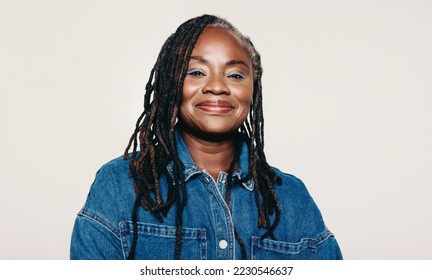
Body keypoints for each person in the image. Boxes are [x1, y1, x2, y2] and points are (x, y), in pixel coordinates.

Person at [70, 14, 342, 260]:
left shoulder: (291, 197)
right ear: (171, 84)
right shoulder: (119, 185)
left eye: (235, 74)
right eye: (196, 72)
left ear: (252, 91)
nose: (216, 86)